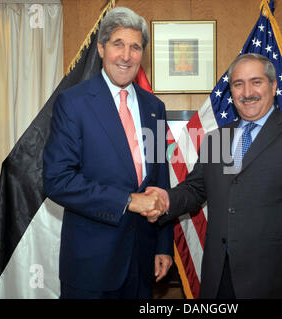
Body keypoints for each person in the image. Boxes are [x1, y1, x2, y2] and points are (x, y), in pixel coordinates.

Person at [139, 53, 282, 299]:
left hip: (277, 282)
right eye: (238, 84)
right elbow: (195, 189)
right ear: (231, 91)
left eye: (256, 82)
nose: (247, 91)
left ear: (273, 86)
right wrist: (166, 199)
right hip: (218, 278)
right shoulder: (216, 139)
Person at [43, 7, 173, 299]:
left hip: (142, 262)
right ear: (101, 48)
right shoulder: (73, 103)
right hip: (92, 267)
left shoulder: (155, 108)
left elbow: (159, 180)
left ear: (143, 54)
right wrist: (127, 201)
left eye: (135, 47)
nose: (126, 56)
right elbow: (57, 180)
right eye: (118, 44)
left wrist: (163, 244)